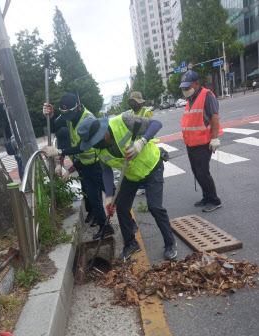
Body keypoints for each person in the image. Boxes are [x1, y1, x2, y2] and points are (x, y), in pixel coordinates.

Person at [77, 114, 177, 261]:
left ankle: (170, 243)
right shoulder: (99, 148)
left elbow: (156, 123)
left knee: (155, 207)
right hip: (131, 175)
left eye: (95, 141)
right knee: (122, 207)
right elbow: (106, 170)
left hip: (151, 167)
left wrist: (141, 142)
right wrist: (109, 196)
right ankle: (131, 243)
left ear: (103, 132)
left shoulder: (123, 121)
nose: (95, 145)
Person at [43, 93, 112, 239]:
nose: (69, 120)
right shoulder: (69, 115)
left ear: (78, 107)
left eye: (70, 115)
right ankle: (105, 228)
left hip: (98, 165)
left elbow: (83, 147)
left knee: (113, 196)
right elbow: (55, 127)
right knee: (94, 199)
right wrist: (49, 115)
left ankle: (130, 223)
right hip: (84, 166)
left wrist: (59, 151)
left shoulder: (88, 119)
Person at [179, 70, 223, 212]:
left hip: (203, 142)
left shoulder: (206, 95)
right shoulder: (190, 98)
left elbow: (215, 117)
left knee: (203, 173)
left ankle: (215, 200)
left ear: (197, 83)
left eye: (188, 86)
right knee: (196, 172)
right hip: (191, 143)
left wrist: (215, 138)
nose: (185, 90)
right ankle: (206, 196)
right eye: (183, 87)